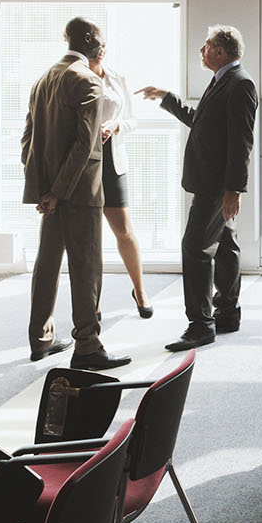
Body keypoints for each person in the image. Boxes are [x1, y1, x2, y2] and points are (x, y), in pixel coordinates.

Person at [136, 25, 259, 352]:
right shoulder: (222, 81)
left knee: (194, 248)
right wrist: (167, 98)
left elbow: (241, 143)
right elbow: (200, 121)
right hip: (211, 181)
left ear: (220, 51)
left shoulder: (240, 84)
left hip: (217, 186)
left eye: (206, 46)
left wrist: (233, 190)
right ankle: (227, 313)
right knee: (225, 244)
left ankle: (200, 324)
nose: (201, 51)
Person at [22, 17, 130, 371]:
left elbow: (28, 140)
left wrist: (44, 189)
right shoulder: (88, 81)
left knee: (48, 263)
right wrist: (60, 191)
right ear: (94, 43)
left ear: (66, 38)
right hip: (80, 192)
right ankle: (87, 344)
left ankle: (40, 337)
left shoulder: (43, 79)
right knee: (86, 267)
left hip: (52, 193)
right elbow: (86, 145)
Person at [88, 47, 153, 319]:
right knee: (90, 237)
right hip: (84, 164)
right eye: (95, 47)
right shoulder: (74, 76)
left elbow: (132, 120)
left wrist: (115, 126)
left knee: (124, 231)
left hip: (112, 163)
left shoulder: (116, 77)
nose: (100, 51)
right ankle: (92, 301)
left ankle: (139, 291)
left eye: (103, 46)